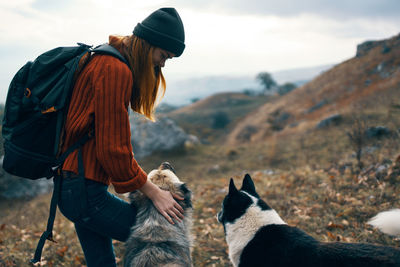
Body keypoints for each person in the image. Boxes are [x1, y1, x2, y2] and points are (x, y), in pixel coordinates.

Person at [57, 7, 186, 267]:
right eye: (164, 55)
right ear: (148, 44)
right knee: (164, 238)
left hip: (75, 187)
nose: (162, 64)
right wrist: (153, 192)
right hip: (84, 193)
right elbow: (113, 150)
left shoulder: (105, 58)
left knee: (102, 262)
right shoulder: (114, 70)